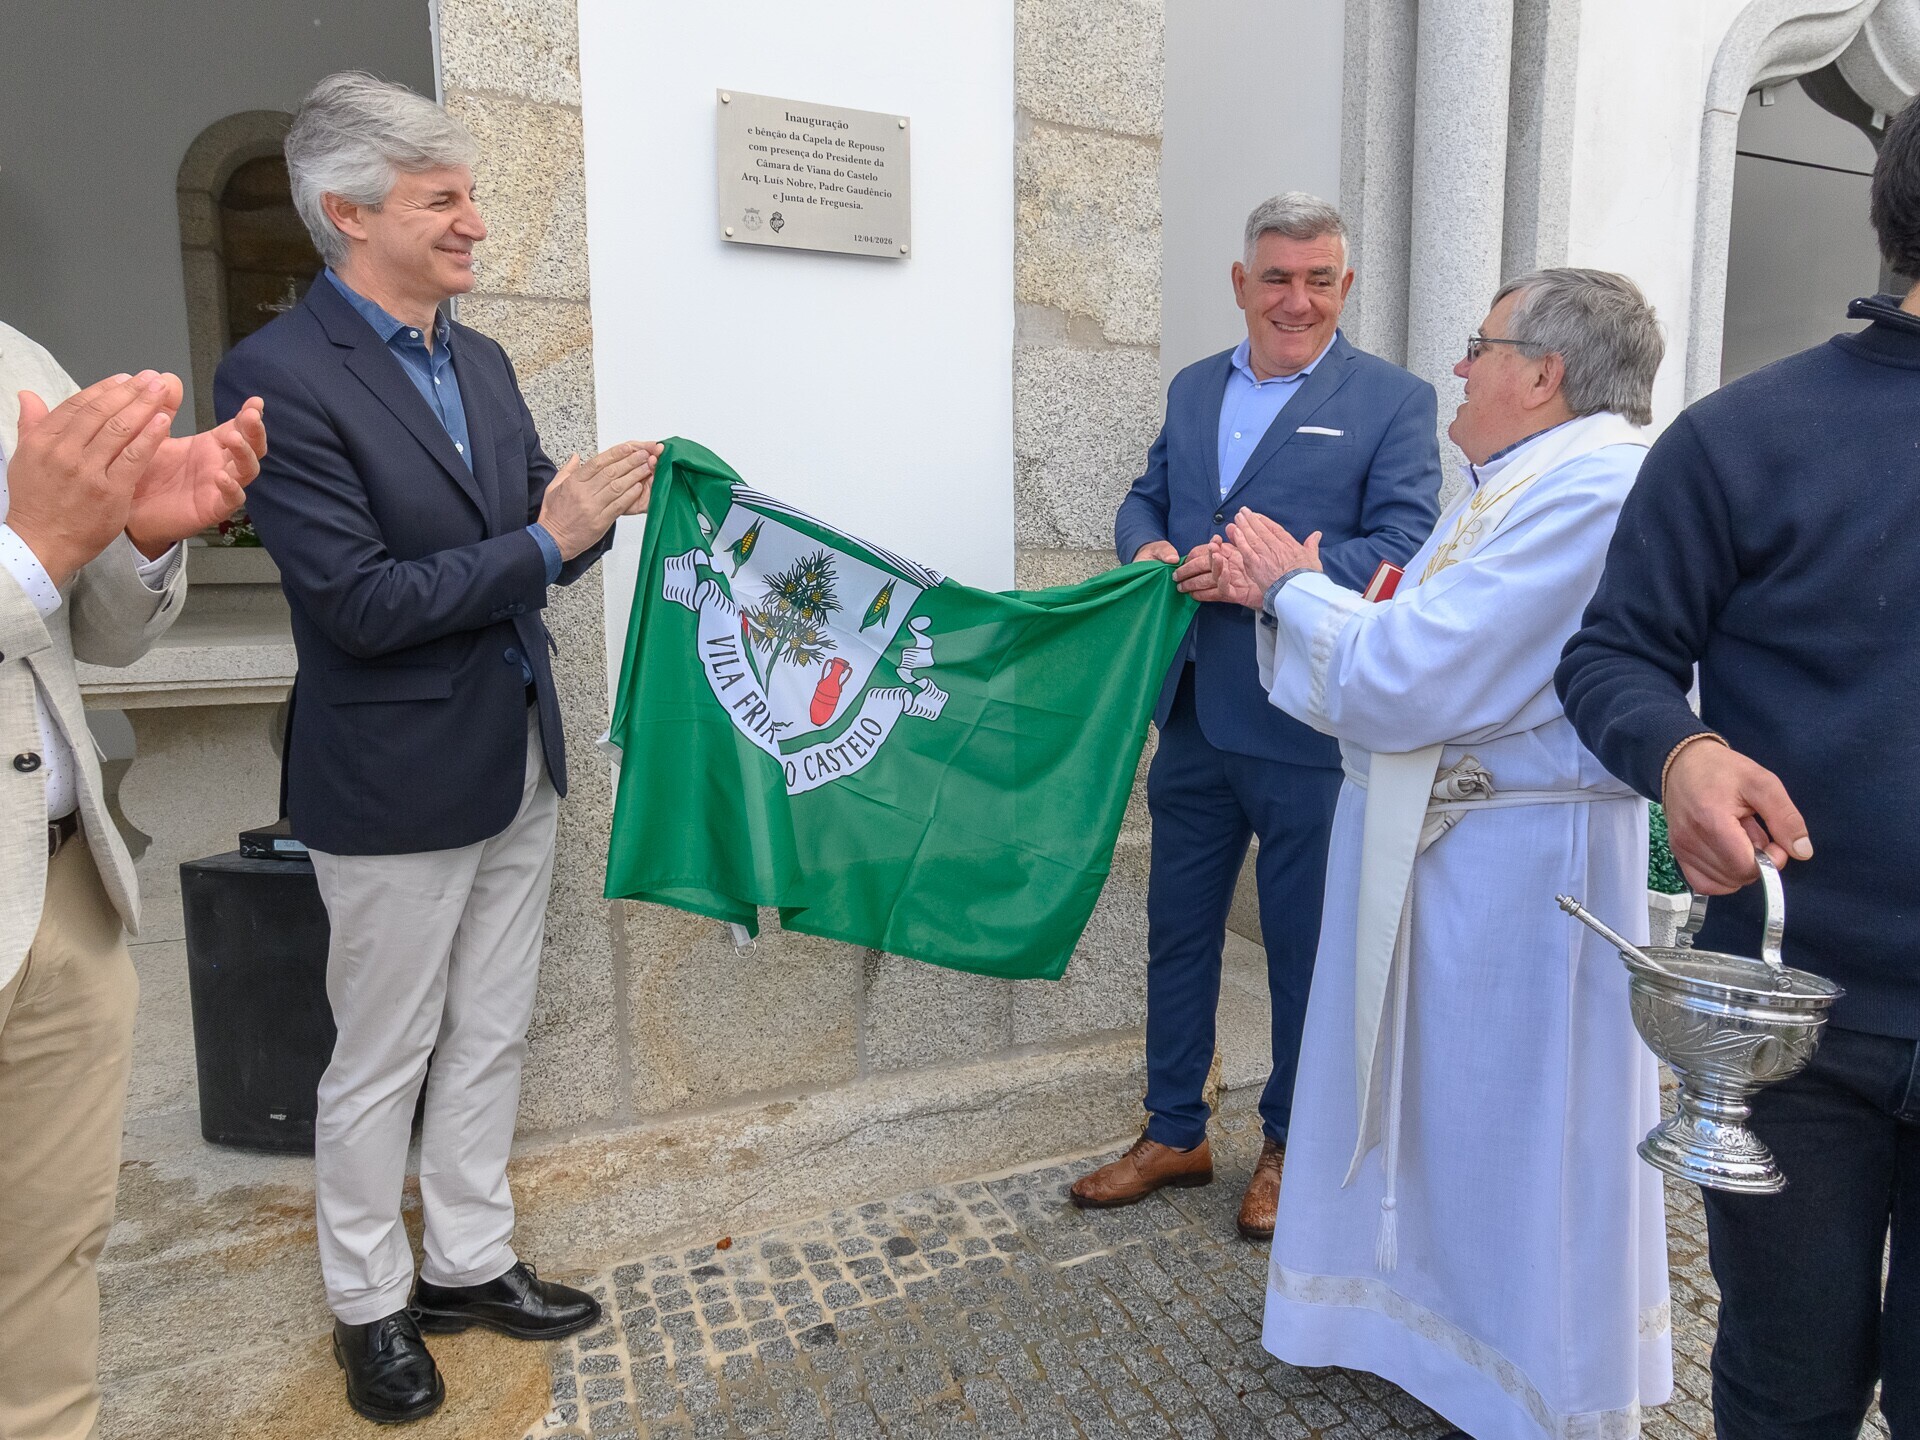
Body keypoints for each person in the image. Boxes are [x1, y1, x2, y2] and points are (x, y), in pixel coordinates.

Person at [214, 73, 657, 1426]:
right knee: (382, 1055)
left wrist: (595, 515)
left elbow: (534, 534)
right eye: (441, 200)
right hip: (391, 778)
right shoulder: (277, 376)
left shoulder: (483, 359)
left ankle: (467, 1261)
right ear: (349, 214)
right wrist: (547, 537)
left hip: (516, 753)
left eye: (470, 195)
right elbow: (356, 604)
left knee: (492, 1030)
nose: (474, 222)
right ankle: (369, 1304)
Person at [1214, 269, 1672, 1440]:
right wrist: (1300, 598)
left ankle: (1532, 1374)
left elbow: (1417, 672)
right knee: (1436, 1102)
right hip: (1449, 845)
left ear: (1544, 374)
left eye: (1480, 345)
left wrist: (1292, 587)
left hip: (1527, 867)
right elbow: (1410, 640)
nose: (1459, 368)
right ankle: (1418, 1324)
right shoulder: (1516, 483)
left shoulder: (1598, 488)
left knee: (1517, 1123)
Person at [1557, 100, 1920, 1440]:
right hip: (1787, 1026)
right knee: (1784, 1389)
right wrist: (1684, 753)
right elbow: (1612, 657)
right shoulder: (1742, 435)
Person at [1082, 193, 1441, 1240]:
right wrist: (1148, 548)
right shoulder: (1196, 386)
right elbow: (1146, 497)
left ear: (1345, 286)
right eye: (1277, 278)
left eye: (1320, 280)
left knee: (1301, 950)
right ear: (1242, 283)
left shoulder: (1393, 400)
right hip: (1193, 709)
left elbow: (1403, 549)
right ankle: (1173, 1131)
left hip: (1306, 725)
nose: (1298, 300)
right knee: (1178, 932)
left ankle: (1290, 1144)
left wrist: (1273, 579)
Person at [1, 335, 265, 1440]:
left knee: (49, 1265)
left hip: (59, 889)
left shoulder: (14, 357)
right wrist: (29, 553)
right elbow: (30, 569)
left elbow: (99, 633)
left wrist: (143, 537)